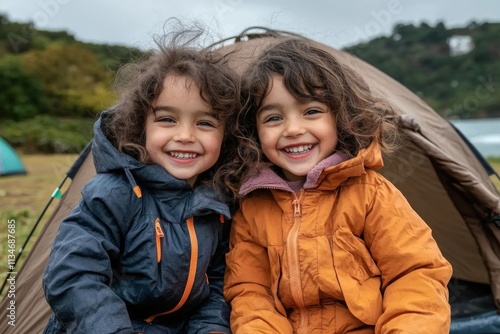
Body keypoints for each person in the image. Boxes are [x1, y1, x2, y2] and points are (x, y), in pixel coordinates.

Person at [221, 37, 453, 333]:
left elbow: (415, 274)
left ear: (340, 116)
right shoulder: (253, 207)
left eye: (311, 111)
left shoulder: (371, 194)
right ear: (253, 131)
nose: (293, 129)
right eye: (274, 118)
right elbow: (251, 292)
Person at [42, 29, 239, 334]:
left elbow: (215, 284)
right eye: (167, 119)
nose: (185, 136)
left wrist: (210, 328)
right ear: (140, 126)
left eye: (205, 123)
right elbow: (74, 275)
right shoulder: (114, 193)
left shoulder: (217, 204)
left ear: (225, 136)